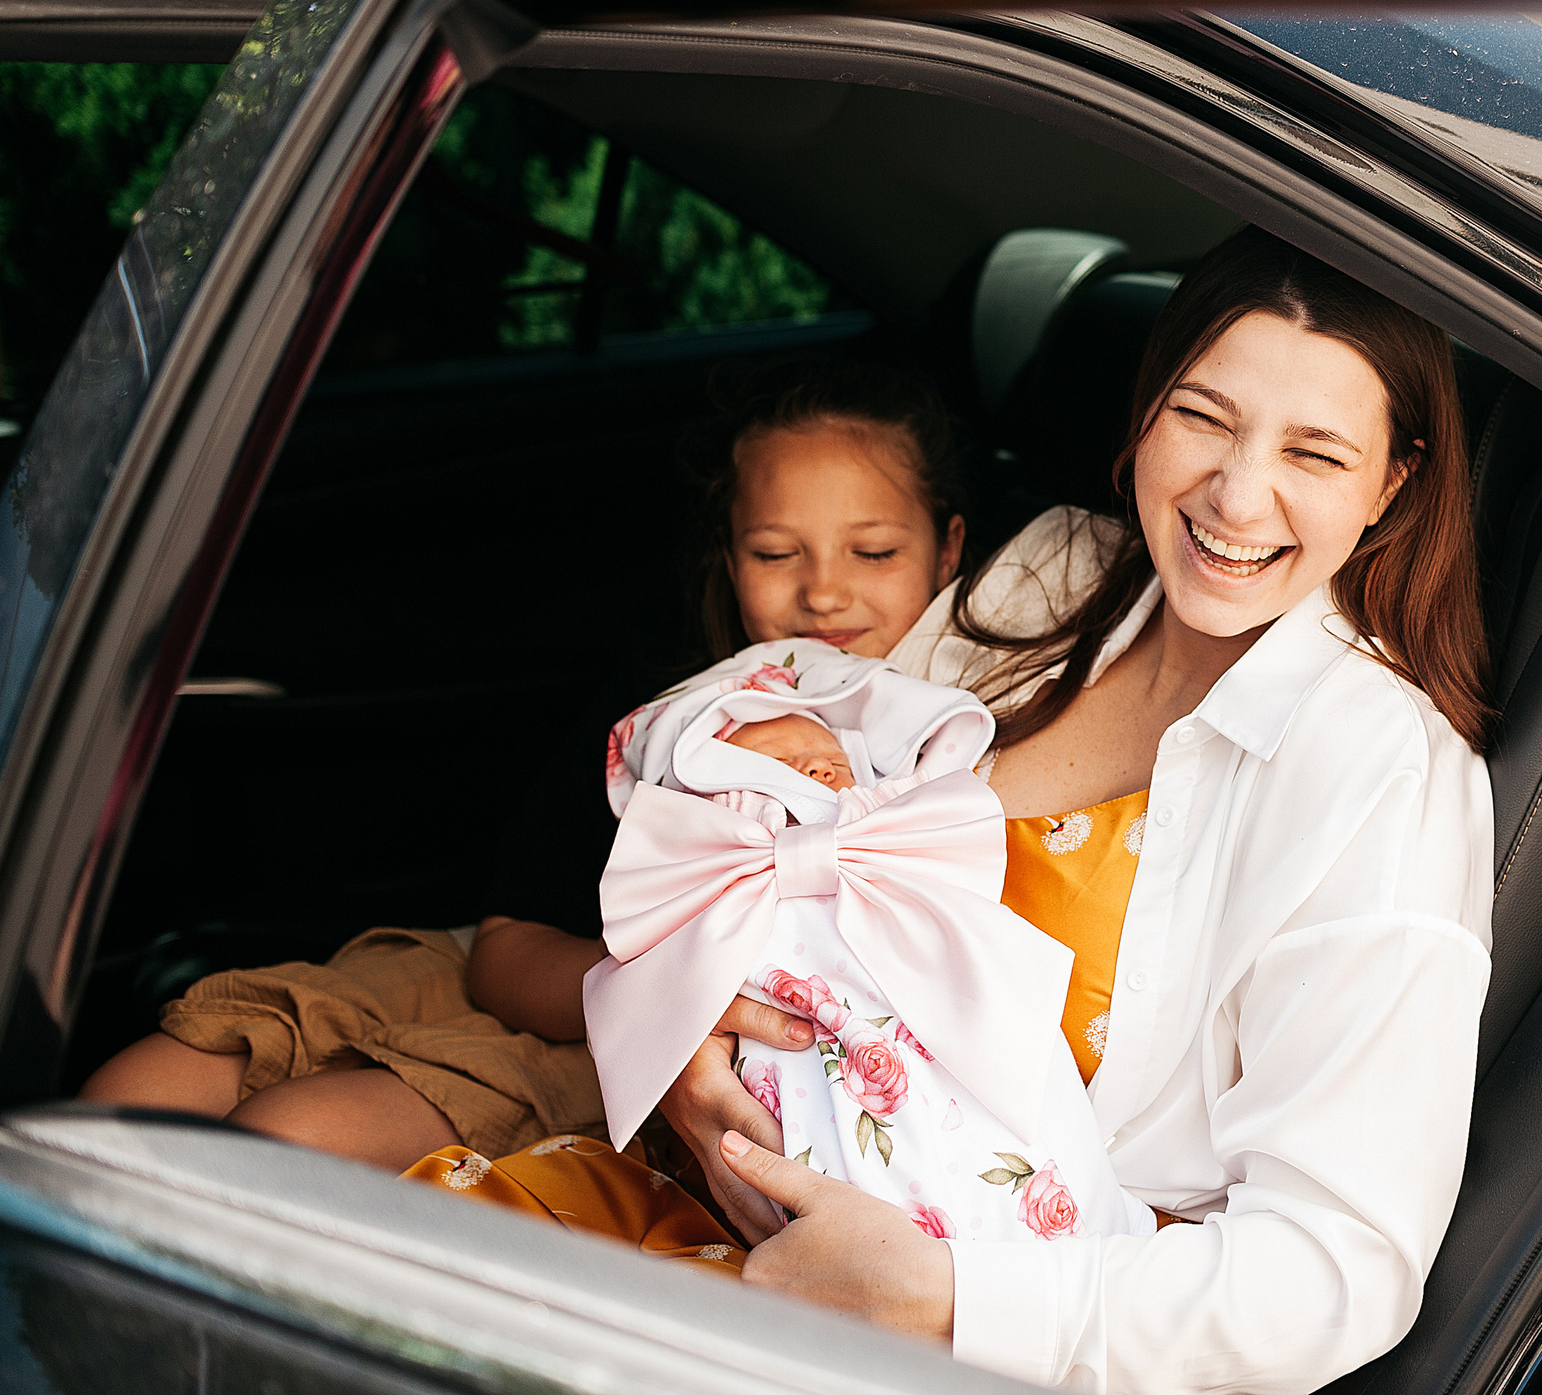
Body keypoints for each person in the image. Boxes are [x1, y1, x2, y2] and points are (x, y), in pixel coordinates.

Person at [464, 230, 1497, 1395]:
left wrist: (944, 1302)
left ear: (1393, 483)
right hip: (740, 1195)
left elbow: (1332, 1277)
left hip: (993, 1332)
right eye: (1203, 417)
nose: (1236, 494)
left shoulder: (1381, 771)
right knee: (381, 1271)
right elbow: (794, 859)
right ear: (1147, 411)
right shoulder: (1051, 573)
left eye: (1314, 451)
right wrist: (697, 1039)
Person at [76, 360, 967, 1171]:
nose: (823, 590)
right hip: (541, 971)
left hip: (655, 1052)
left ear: (950, 550)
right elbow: (504, 952)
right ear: (728, 558)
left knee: (287, 1143)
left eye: (875, 552)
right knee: (133, 1096)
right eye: (775, 553)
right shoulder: (669, 704)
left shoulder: (957, 738)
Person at [573, 636, 1150, 1244]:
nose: (817, 769)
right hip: (800, 1039)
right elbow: (644, 975)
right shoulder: (715, 868)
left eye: (830, 756)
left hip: (941, 1015)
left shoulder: (904, 824)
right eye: (781, 767)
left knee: (1026, 1130)